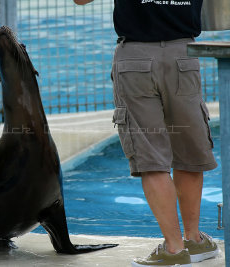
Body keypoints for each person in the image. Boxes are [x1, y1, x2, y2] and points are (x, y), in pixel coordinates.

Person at [73, 0, 219, 266]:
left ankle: (174, 250)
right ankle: (194, 240)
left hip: (135, 57)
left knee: (150, 157)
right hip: (182, 54)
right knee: (189, 149)